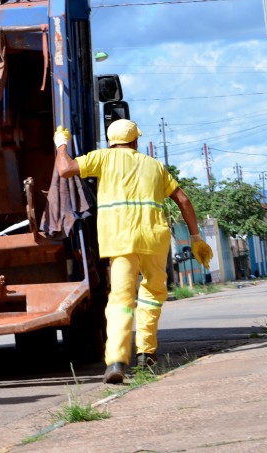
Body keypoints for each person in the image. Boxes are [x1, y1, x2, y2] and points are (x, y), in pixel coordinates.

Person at [53, 119, 212, 384]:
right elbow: (183, 199)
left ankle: (116, 361)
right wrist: (195, 237)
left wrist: (61, 144)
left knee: (121, 301)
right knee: (152, 294)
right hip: (154, 240)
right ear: (136, 141)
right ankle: (146, 354)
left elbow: (65, 169)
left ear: (110, 141)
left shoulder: (102, 158)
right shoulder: (155, 165)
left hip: (121, 240)